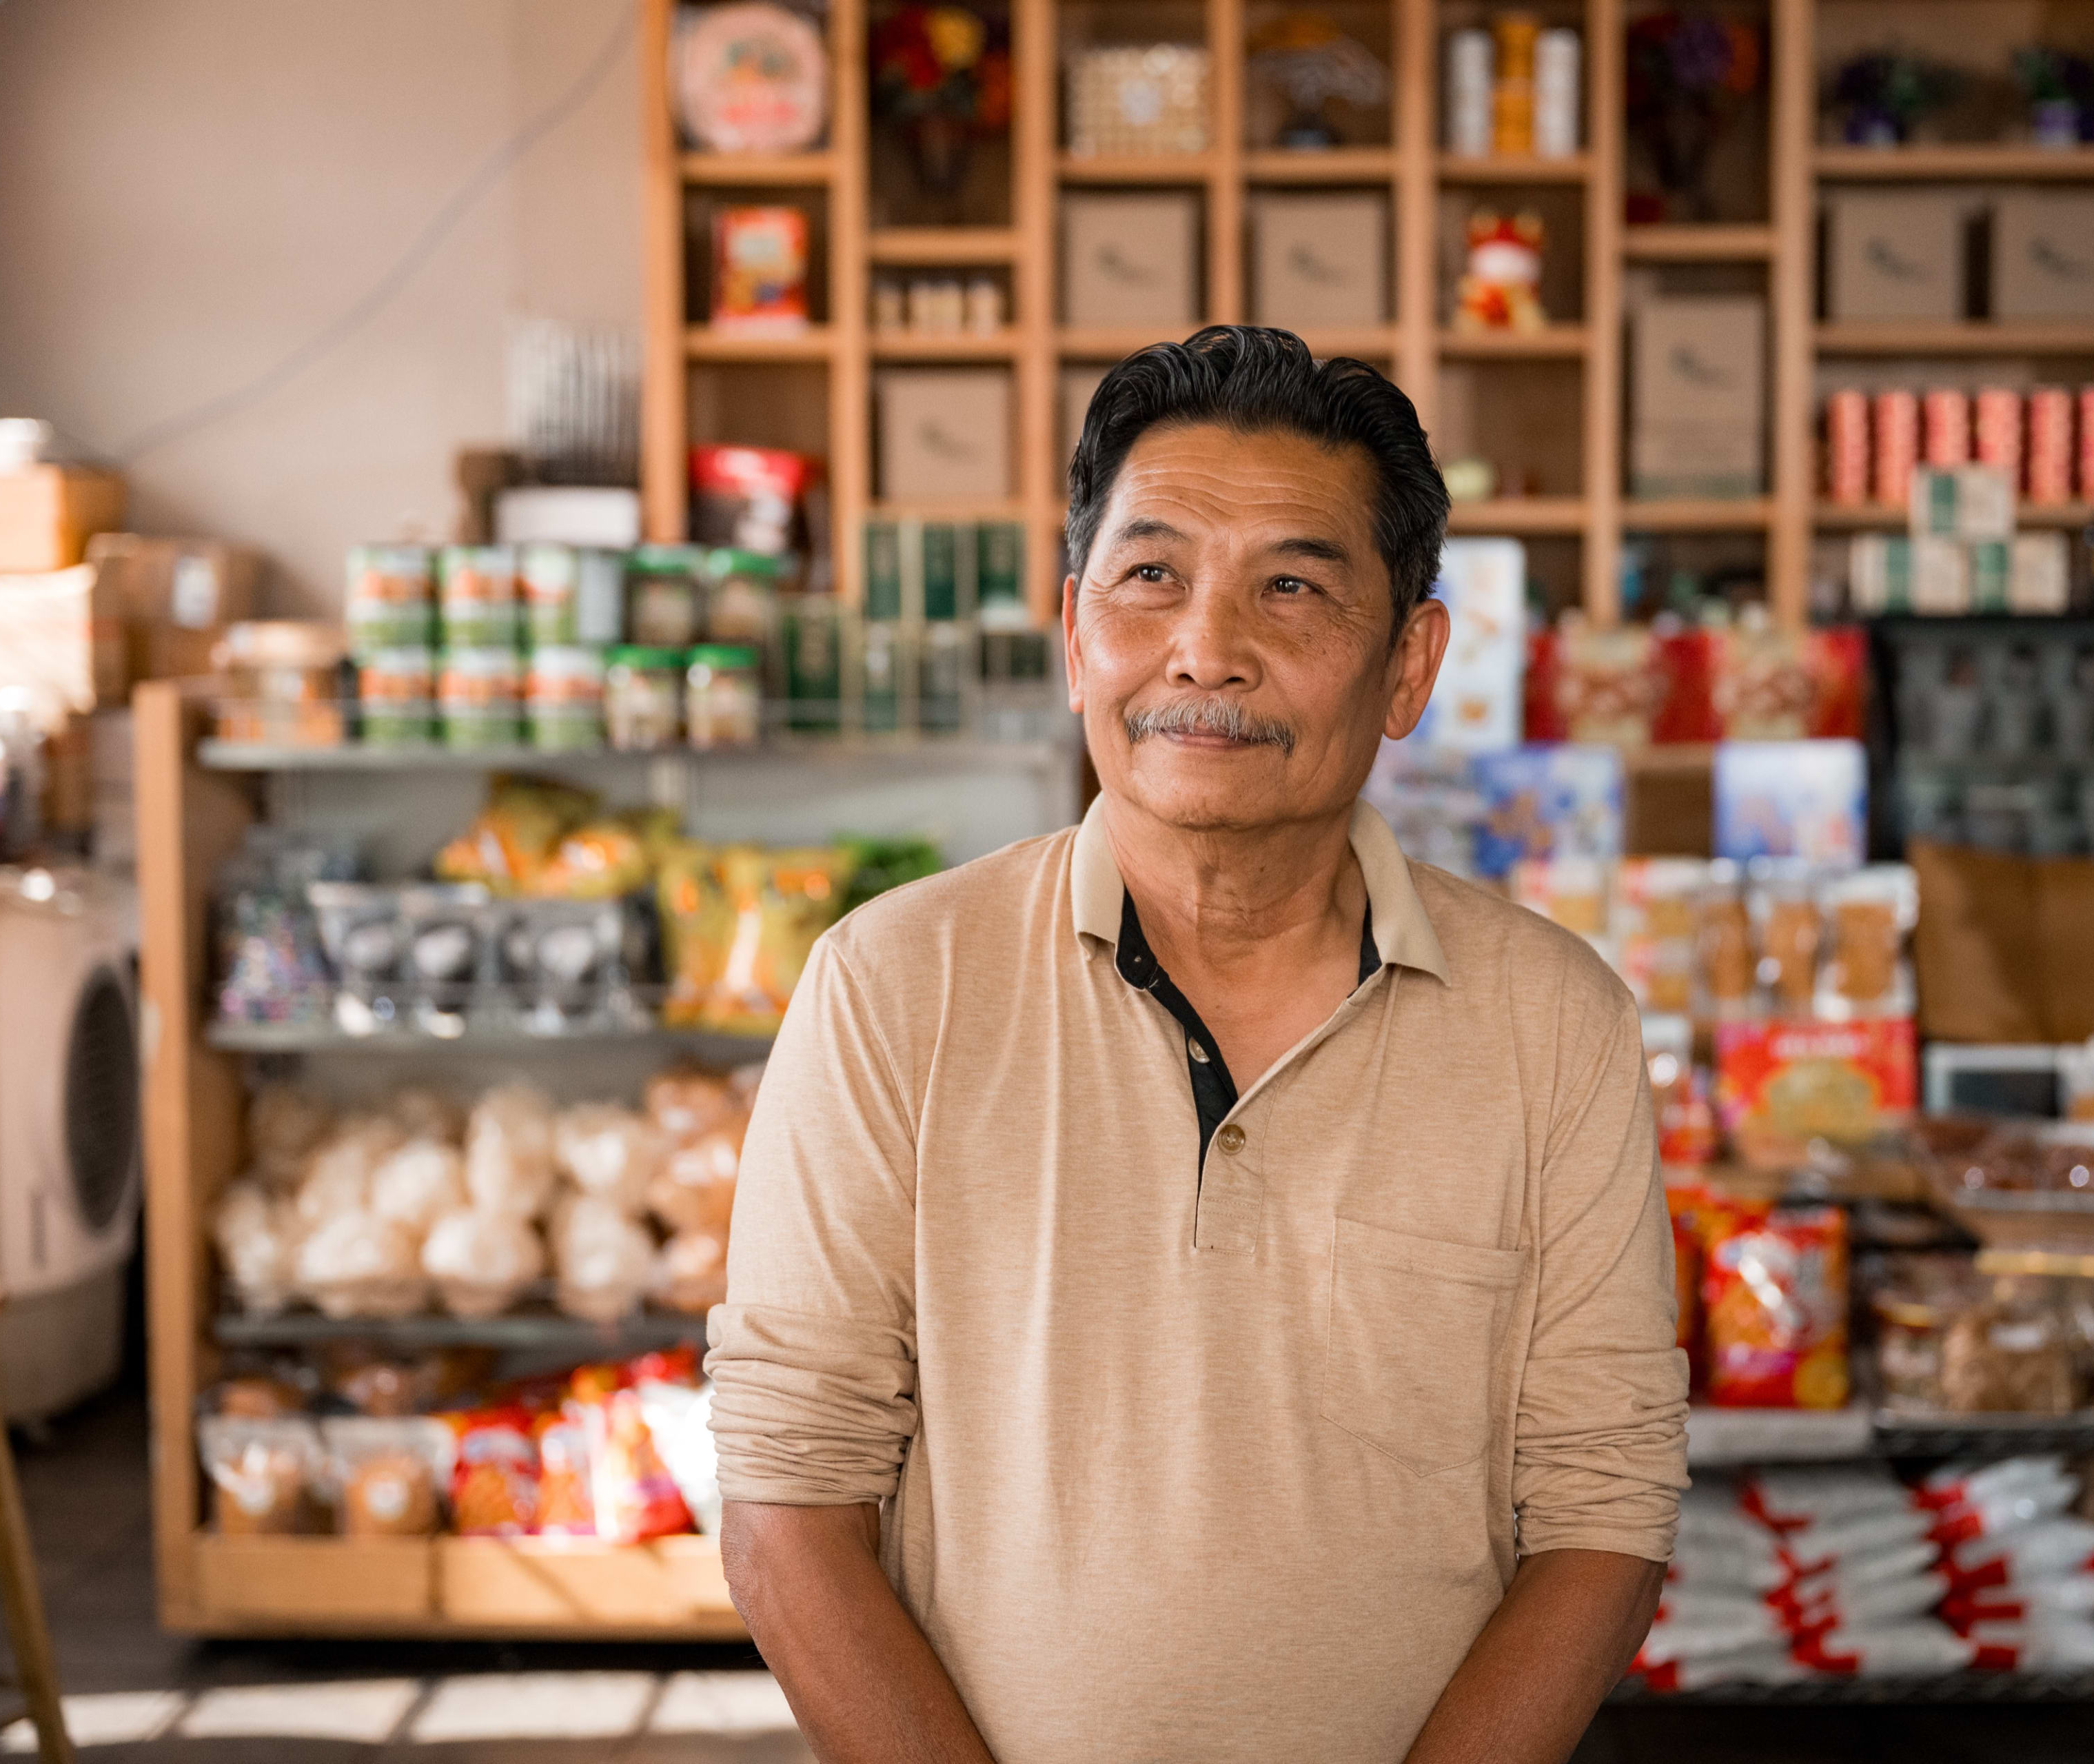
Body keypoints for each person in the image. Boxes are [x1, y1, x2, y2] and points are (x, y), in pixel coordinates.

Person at [708, 325, 1689, 1763]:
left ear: (1410, 663)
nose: (1207, 648)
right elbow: (790, 1490)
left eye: (1292, 584)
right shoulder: (892, 983)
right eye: (1151, 576)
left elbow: (1604, 1506)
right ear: (1073, 634)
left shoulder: (1556, 1020)